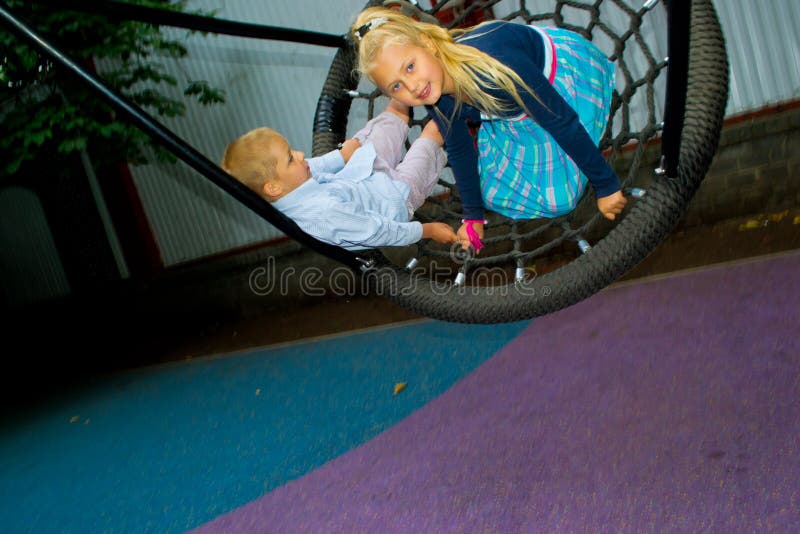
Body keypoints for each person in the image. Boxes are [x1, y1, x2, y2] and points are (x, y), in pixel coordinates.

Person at [351, 7, 628, 250]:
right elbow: (459, 149)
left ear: (428, 44)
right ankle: (500, 133)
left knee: (560, 196)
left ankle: (509, 134)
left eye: (410, 67)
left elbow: (560, 119)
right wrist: (473, 216)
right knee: (496, 191)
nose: (411, 87)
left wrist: (605, 184)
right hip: (512, 112)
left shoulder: (494, 68)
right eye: (396, 86)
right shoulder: (432, 90)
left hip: (558, 85)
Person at [221, 100, 457, 251]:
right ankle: (461, 104)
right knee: (433, 133)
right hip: (396, 197)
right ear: (273, 188)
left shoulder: (289, 183)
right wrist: (427, 230)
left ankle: (409, 80)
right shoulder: (323, 214)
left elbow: (318, 164)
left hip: (364, 170)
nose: (301, 154)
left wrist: (343, 155)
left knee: (394, 113)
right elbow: (378, 231)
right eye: (290, 158)